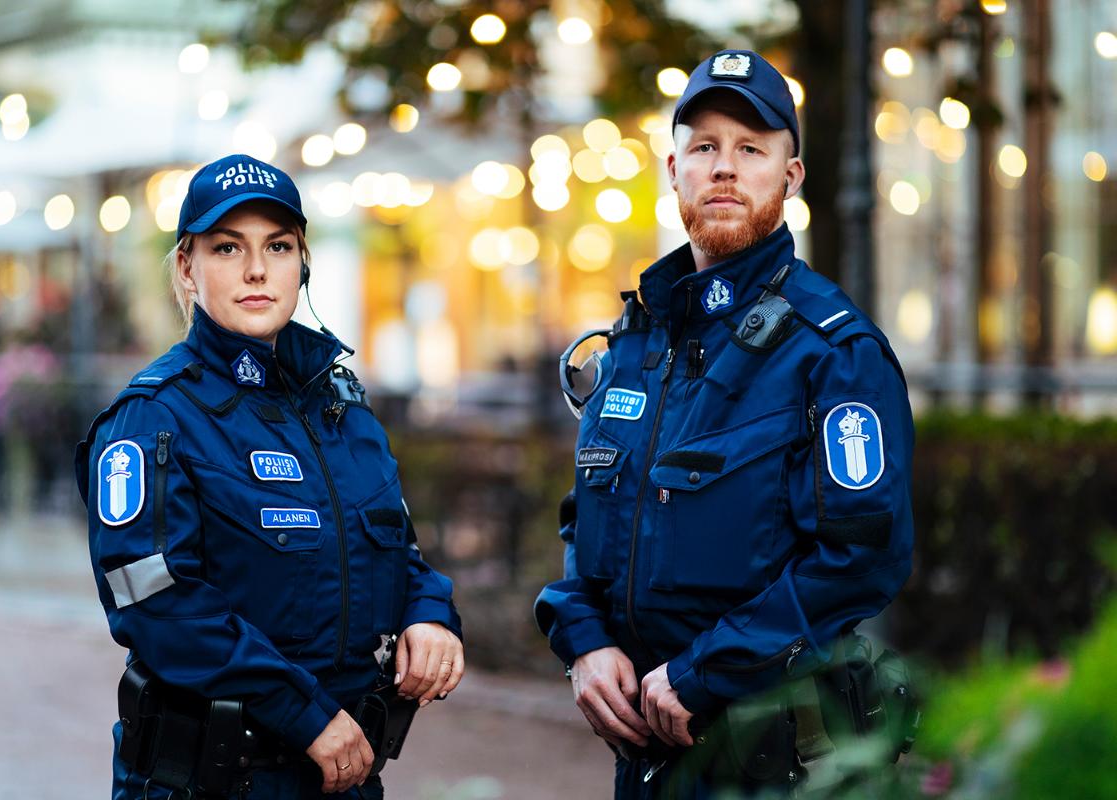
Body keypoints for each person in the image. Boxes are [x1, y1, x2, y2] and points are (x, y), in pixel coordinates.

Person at [535, 50, 914, 798]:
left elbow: (861, 558)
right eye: (704, 147)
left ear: (791, 176)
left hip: (777, 760)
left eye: (750, 149)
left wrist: (702, 673)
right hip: (646, 761)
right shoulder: (637, 343)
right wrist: (584, 641)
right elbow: (592, 524)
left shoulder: (834, 351)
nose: (724, 168)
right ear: (673, 170)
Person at [76, 153, 464, 799]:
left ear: (301, 262)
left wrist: (429, 614)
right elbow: (157, 603)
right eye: (227, 248)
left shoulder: (340, 404)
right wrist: (305, 714)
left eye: (277, 246)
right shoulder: (151, 418)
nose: (257, 269)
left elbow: (396, 547)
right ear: (186, 267)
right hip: (212, 780)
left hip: (344, 773)